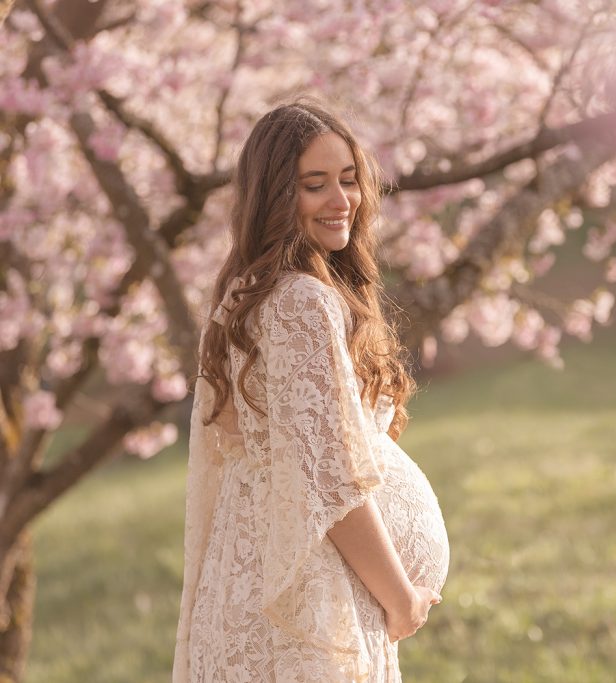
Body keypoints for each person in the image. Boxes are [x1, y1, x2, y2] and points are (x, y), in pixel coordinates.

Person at [173, 100, 450, 682]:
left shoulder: (250, 295)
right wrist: (400, 599)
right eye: (314, 184)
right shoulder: (300, 302)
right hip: (304, 607)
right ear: (275, 196)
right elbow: (328, 483)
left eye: (349, 180)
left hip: (271, 591)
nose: (341, 200)